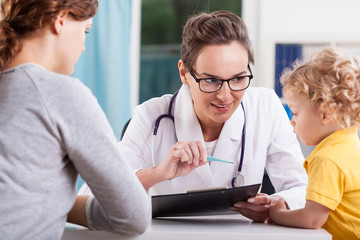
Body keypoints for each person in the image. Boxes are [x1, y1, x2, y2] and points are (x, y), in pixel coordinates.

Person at [79, 10, 308, 223]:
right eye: (210, 80)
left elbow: (302, 188)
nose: (225, 96)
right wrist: (157, 174)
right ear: (184, 73)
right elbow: (92, 195)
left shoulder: (265, 107)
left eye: (238, 79)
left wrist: (277, 203)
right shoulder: (151, 115)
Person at [0, 0, 151, 239]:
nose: (83, 47)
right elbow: (134, 216)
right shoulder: (59, 93)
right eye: (86, 30)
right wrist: (61, 202)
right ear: (60, 20)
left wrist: (44, 202)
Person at [269, 48, 360, 239]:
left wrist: (277, 214)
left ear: (325, 114)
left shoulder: (327, 159)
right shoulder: (350, 144)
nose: (291, 121)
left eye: (294, 113)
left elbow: (312, 219)